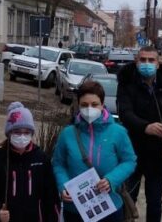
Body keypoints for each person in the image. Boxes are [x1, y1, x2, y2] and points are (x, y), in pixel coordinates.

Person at [52, 81, 137, 221]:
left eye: (94, 104)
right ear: (78, 105)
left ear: (103, 105)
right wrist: (62, 186)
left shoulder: (118, 132)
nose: (89, 108)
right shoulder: (68, 134)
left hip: (110, 207)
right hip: (75, 208)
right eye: (84, 105)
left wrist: (112, 179)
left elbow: (129, 161)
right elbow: (58, 164)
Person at [117, 46, 162, 222]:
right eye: (143, 60)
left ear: (158, 64)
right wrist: (145, 127)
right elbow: (125, 112)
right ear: (137, 62)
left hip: (158, 155)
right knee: (128, 197)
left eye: (151, 60)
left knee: (154, 202)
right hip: (131, 152)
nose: (147, 64)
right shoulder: (126, 83)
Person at [0, 102, 59, 222]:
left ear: (31, 134)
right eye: (17, 132)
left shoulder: (42, 159)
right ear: (9, 133)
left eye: (26, 133)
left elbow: (51, 196)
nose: (22, 136)